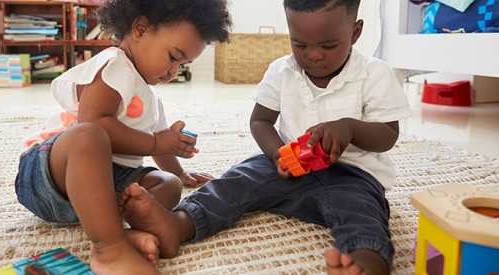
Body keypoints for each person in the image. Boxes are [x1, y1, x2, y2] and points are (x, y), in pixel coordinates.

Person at [119, 0, 412, 274]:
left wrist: (350, 127)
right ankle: (179, 224)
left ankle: (364, 261)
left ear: (355, 32)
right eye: (299, 43)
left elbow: (388, 135)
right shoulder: (283, 70)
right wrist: (276, 154)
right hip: (287, 167)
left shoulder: (374, 73)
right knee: (238, 178)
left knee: (363, 212)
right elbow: (261, 120)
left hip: (353, 177)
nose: (312, 54)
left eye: (328, 45)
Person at [14, 0, 232, 274]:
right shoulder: (114, 65)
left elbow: (159, 146)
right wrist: (157, 141)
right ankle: (109, 248)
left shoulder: (150, 96)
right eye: (174, 57)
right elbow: (94, 122)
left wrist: (180, 173)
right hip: (52, 176)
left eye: (183, 64)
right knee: (89, 136)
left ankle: (123, 228)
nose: (174, 72)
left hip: (108, 182)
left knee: (168, 185)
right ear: (140, 29)